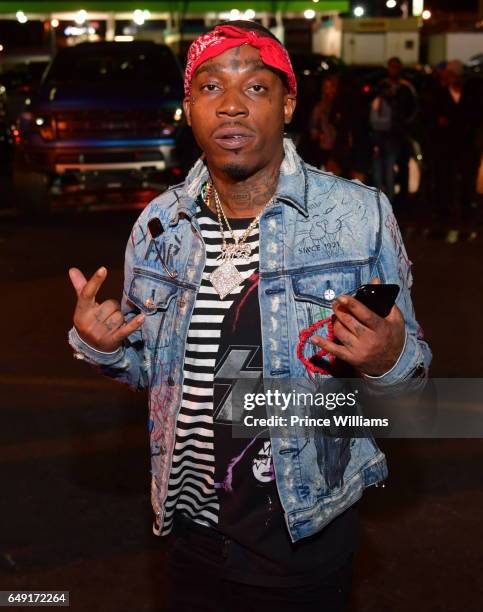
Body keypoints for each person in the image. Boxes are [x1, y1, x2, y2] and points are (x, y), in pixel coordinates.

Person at [67, 22, 431, 612]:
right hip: (189, 533)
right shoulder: (160, 227)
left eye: (256, 89)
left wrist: (388, 359)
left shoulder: (359, 216)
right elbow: (149, 376)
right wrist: (105, 345)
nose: (231, 105)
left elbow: (412, 380)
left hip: (302, 531)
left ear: (288, 104)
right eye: (210, 87)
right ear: (189, 108)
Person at [423, 60, 482, 241]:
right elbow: (430, 116)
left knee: (466, 178)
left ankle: (465, 208)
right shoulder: (439, 94)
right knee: (444, 177)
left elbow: (476, 115)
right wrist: (438, 123)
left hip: (465, 144)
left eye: (453, 76)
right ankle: (443, 209)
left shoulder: (471, 94)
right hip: (445, 144)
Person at [370, 57, 417, 209]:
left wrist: (404, 125)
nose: (393, 70)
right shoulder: (382, 86)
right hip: (383, 133)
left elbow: (413, 110)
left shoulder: (406, 87)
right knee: (382, 168)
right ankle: (383, 201)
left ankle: (402, 201)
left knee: (401, 166)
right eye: (391, 67)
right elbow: (373, 107)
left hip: (400, 134)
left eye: (396, 67)